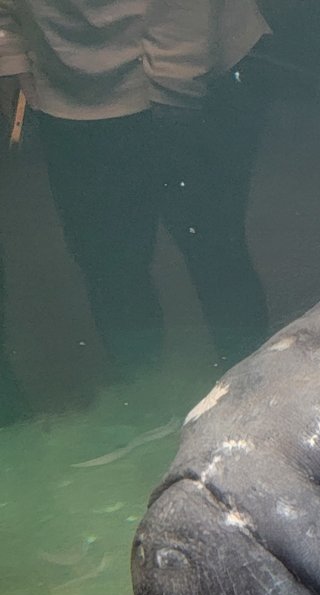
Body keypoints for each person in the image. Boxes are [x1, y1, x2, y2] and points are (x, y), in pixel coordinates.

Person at [0, 0, 271, 376]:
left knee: (215, 250)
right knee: (109, 269)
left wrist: (175, 85)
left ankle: (255, 391)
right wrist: (13, 58)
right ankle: (142, 390)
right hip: (67, 82)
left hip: (204, 58)